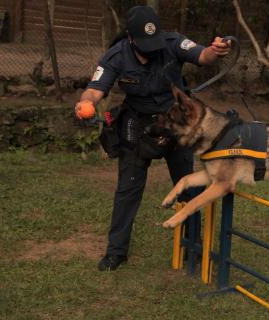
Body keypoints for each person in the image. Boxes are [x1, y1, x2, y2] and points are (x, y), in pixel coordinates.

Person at [75, 6, 231, 271]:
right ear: (131, 38)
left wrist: (214, 51)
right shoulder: (115, 56)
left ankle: (191, 245)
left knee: (188, 185)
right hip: (138, 124)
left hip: (175, 124)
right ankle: (116, 252)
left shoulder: (172, 43)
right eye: (144, 43)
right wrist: (85, 104)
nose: (151, 47)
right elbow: (94, 90)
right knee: (128, 188)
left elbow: (202, 56)